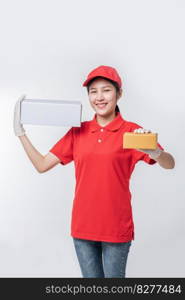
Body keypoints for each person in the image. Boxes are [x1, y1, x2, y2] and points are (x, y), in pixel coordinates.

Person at [13, 65, 175, 278]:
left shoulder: (131, 131)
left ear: (119, 94)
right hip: (82, 229)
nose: (99, 97)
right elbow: (42, 165)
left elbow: (169, 163)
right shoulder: (77, 131)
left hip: (116, 229)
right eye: (93, 91)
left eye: (106, 90)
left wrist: (154, 151)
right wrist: (20, 133)